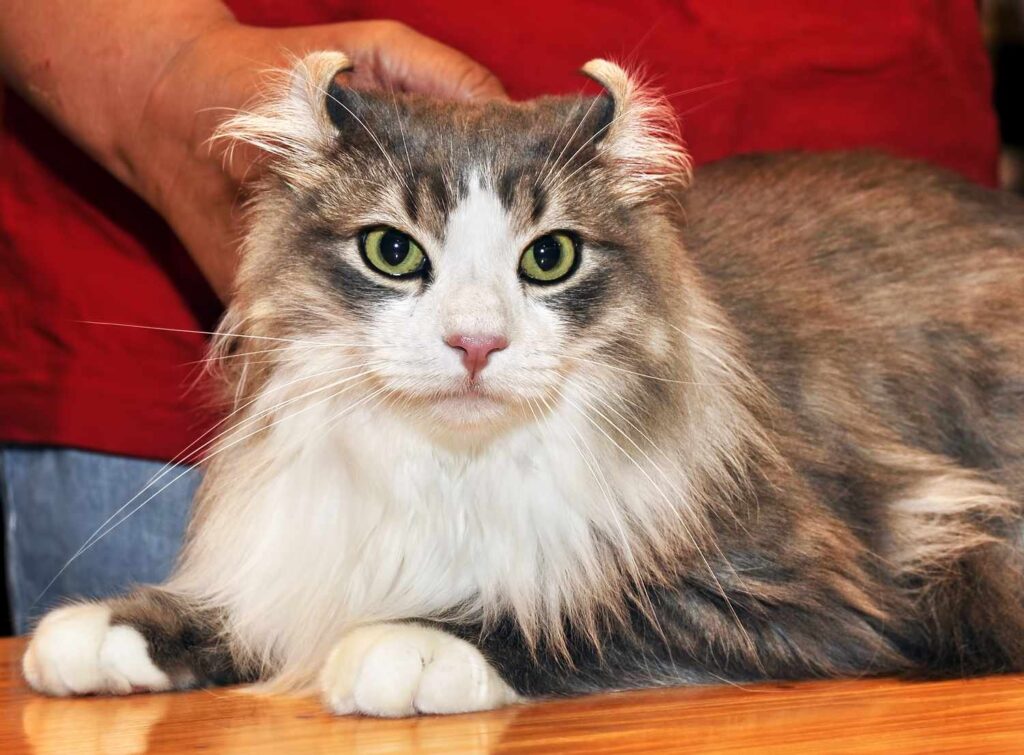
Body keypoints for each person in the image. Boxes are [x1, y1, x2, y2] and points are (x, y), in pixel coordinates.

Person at [0, 0, 999, 634]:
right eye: (397, 254)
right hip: (139, 304)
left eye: (546, 259)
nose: (475, 331)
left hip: (887, 247)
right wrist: (169, 71)